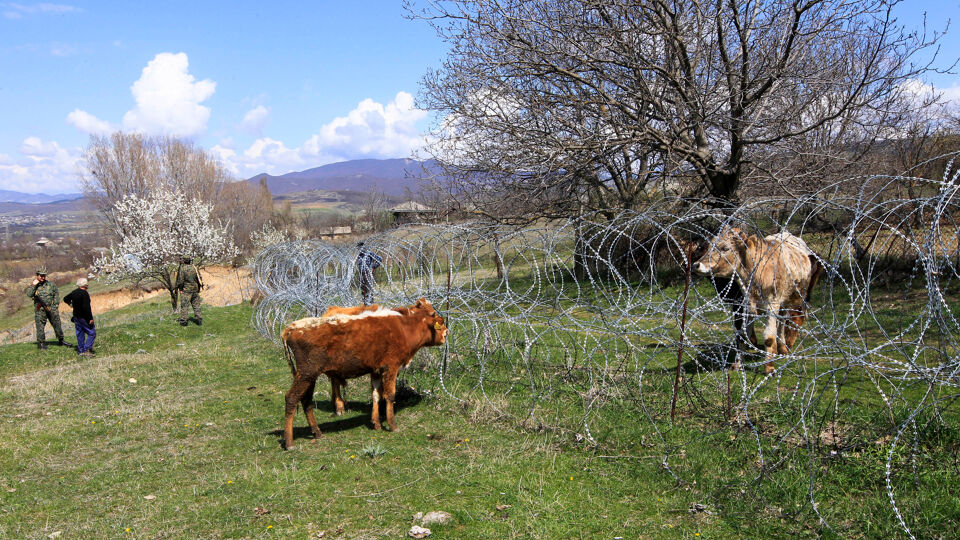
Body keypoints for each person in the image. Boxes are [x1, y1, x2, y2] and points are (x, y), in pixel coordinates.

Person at [24, 267, 65, 350]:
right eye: (41, 276)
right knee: (40, 326)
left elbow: (56, 295)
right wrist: (33, 285)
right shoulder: (33, 286)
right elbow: (29, 294)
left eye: (44, 275)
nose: (42, 277)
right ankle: (41, 343)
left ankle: (61, 340)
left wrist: (54, 306)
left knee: (57, 324)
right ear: (37, 275)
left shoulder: (51, 284)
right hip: (40, 310)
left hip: (51, 308)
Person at [63, 277, 96, 356]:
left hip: (76, 317)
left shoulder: (74, 292)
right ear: (85, 285)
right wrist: (90, 318)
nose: (87, 284)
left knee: (80, 333)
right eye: (86, 283)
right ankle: (86, 349)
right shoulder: (84, 294)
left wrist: (71, 305)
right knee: (92, 333)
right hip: (84, 317)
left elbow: (65, 298)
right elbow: (86, 308)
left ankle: (81, 350)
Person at [175, 256, 204, 326]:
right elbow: (199, 277)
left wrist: (180, 288)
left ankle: (184, 321)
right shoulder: (194, 267)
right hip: (195, 289)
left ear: (184, 261)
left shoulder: (183, 268)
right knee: (196, 304)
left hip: (186, 290)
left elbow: (180, 280)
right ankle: (199, 319)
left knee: (184, 305)